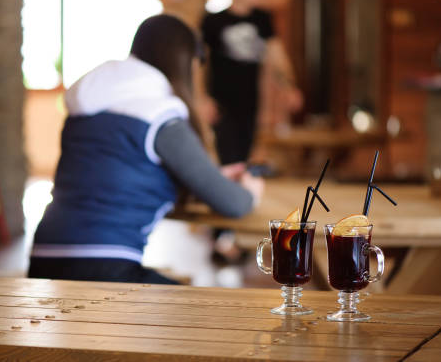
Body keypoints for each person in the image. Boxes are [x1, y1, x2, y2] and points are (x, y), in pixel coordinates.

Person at [28, 15, 264, 284]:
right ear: (184, 62)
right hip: (103, 268)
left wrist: (213, 176)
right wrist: (250, 192)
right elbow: (234, 203)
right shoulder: (160, 115)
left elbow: (116, 173)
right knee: (207, 312)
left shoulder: (90, 106)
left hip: (43, 258)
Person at [201, 0, 302, 165]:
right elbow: (199, 63)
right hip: (221, 100)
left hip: (250, 100)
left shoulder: (262, 19)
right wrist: (202, 98)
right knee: (227, 156)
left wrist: (289, 86)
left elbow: (275, 55)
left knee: (245, 154)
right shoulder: (213, 21)